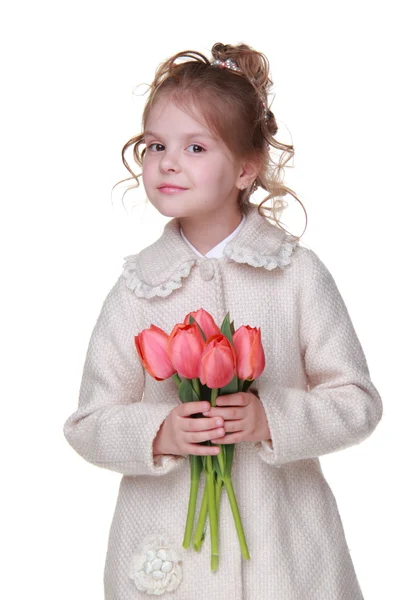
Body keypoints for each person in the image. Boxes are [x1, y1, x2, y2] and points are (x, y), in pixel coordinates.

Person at [63, 42, 383, 599]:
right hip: (168, 552)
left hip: (287, 552)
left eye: (194, 146)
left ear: (243, 168)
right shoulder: (137, 288)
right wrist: (160, 432)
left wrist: (271, 420)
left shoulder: (296, 274)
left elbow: (357, 401)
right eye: (155, 145)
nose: (166, 162)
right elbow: (89, 423)